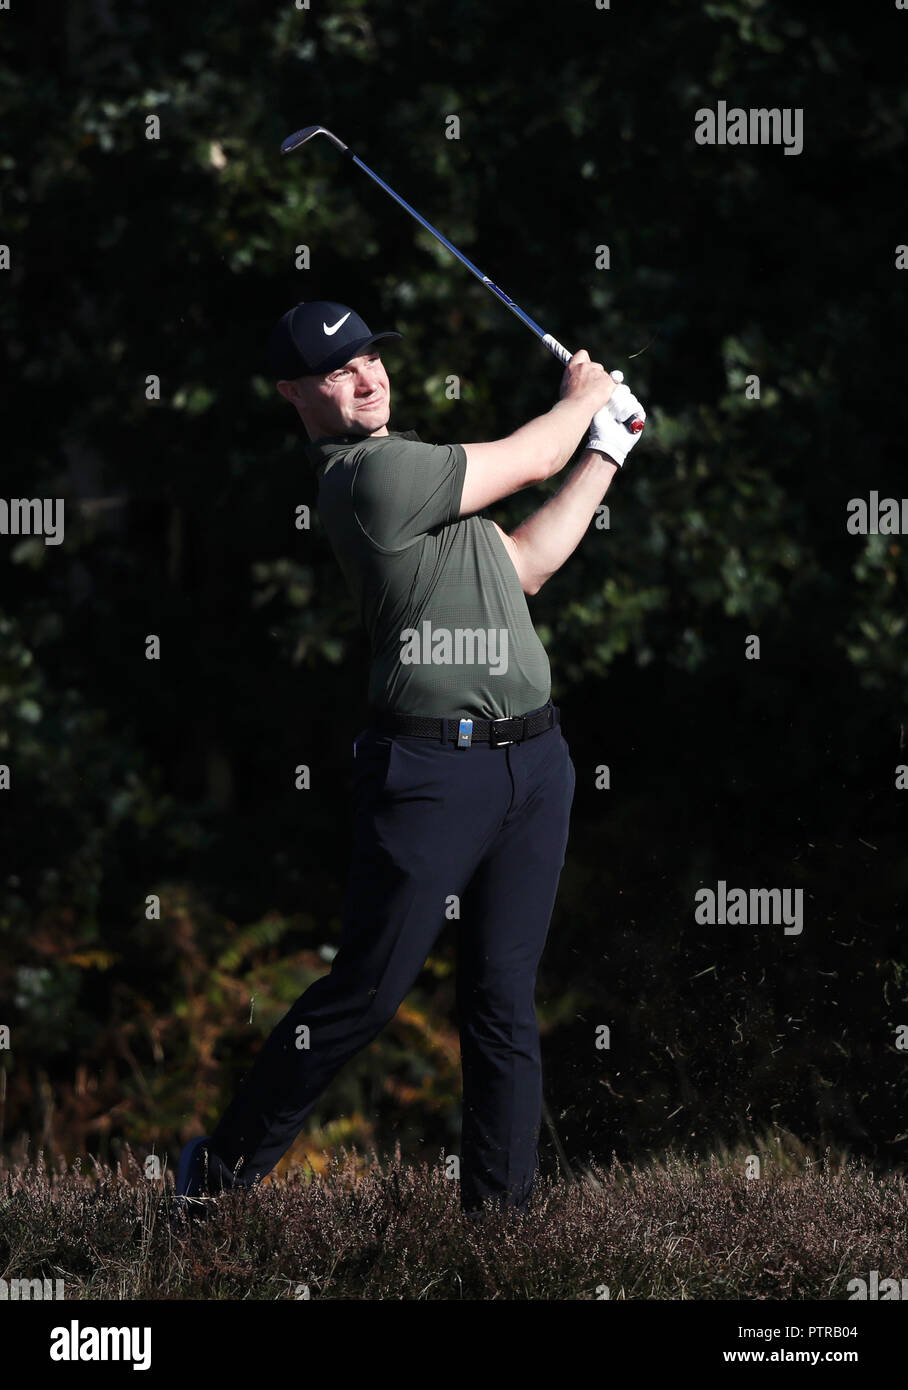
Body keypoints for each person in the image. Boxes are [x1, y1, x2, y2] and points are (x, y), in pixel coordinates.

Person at [173, 299, 645, 1226]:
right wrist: (582, 399)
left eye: (372, 359)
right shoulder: (369, 479)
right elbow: (531, 455)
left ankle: (499, 1231)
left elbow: (526, 563)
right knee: (367, 992)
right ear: (294, 395)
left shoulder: (419, 473)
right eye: (338, 371)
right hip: (433, 776)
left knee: (504, 1003)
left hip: (534, 762)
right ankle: (216, 1179)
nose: (366, 376)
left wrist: (607, 451)